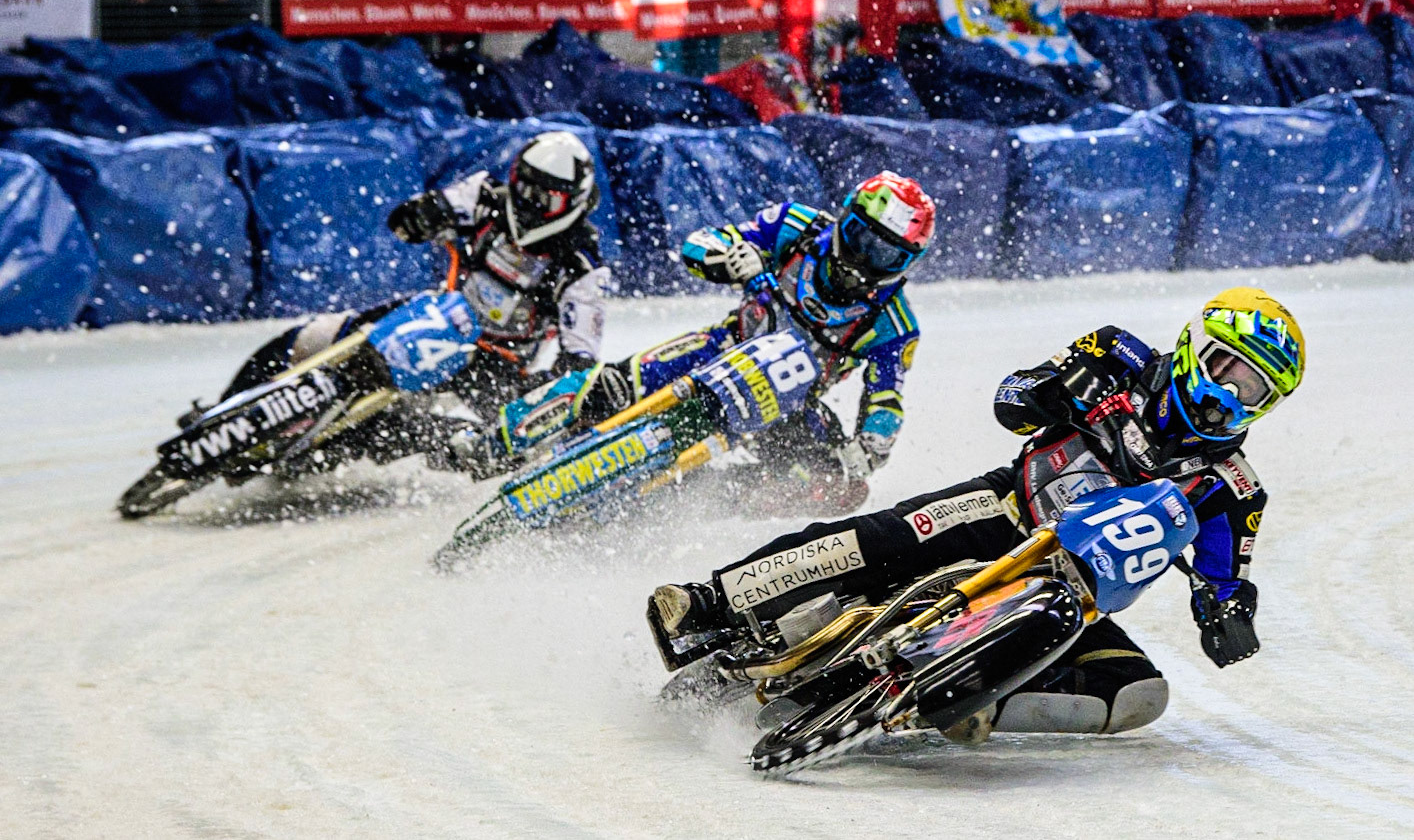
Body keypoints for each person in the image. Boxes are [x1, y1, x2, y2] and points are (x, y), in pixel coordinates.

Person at [651, 287, 1304, 739]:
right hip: (1007, 508)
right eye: (1230, 371)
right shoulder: (1118, 353)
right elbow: (1010, 398)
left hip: (1066, 589)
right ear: (1197, 344)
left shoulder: (1233, 487)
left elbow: (1225, 583)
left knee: (1136, 691)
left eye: (1255, 394)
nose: (1230, 399)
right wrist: (1053, 391)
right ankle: (711, 598)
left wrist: (1229, 616)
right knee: (877, 539)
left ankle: (972, 700)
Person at [450, 171, 936, 515]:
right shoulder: (797, 226)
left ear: (905, 263)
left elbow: (886, 398)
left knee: (841, 488)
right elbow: (699, 242)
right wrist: (730, 258)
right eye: (860, 238)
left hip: (788, 402)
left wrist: (867, 450)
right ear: (844, 217)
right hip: (721, 347)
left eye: (885, 255)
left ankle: (700, 498)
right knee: (608, 385)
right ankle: (494, 442)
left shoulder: (893, 322)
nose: (863, 261)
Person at [199, 130, 608, 465]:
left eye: (544, 199)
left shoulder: (582, 266)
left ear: (571, 203)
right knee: (321, 335)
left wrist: (550, 384)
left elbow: (581, 357)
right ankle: (225, 407)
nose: (527, 203)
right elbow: (412, 218)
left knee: (499, 445)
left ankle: (354, 443)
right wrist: (422, 215)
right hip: (441, 313)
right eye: (523, 187)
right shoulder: (485, 196)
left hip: (498, 362)